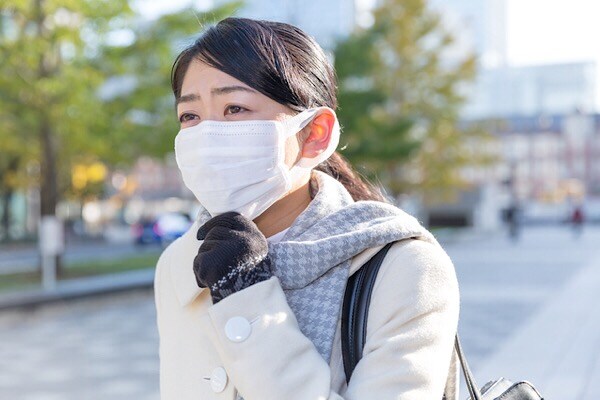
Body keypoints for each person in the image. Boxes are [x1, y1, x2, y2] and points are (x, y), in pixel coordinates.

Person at [154, 17, 459, 400]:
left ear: (315, 134)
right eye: (190, 116)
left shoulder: (403, 267)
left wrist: (244, 291)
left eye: (234, 108)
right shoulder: (181, 263)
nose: (206, 135)